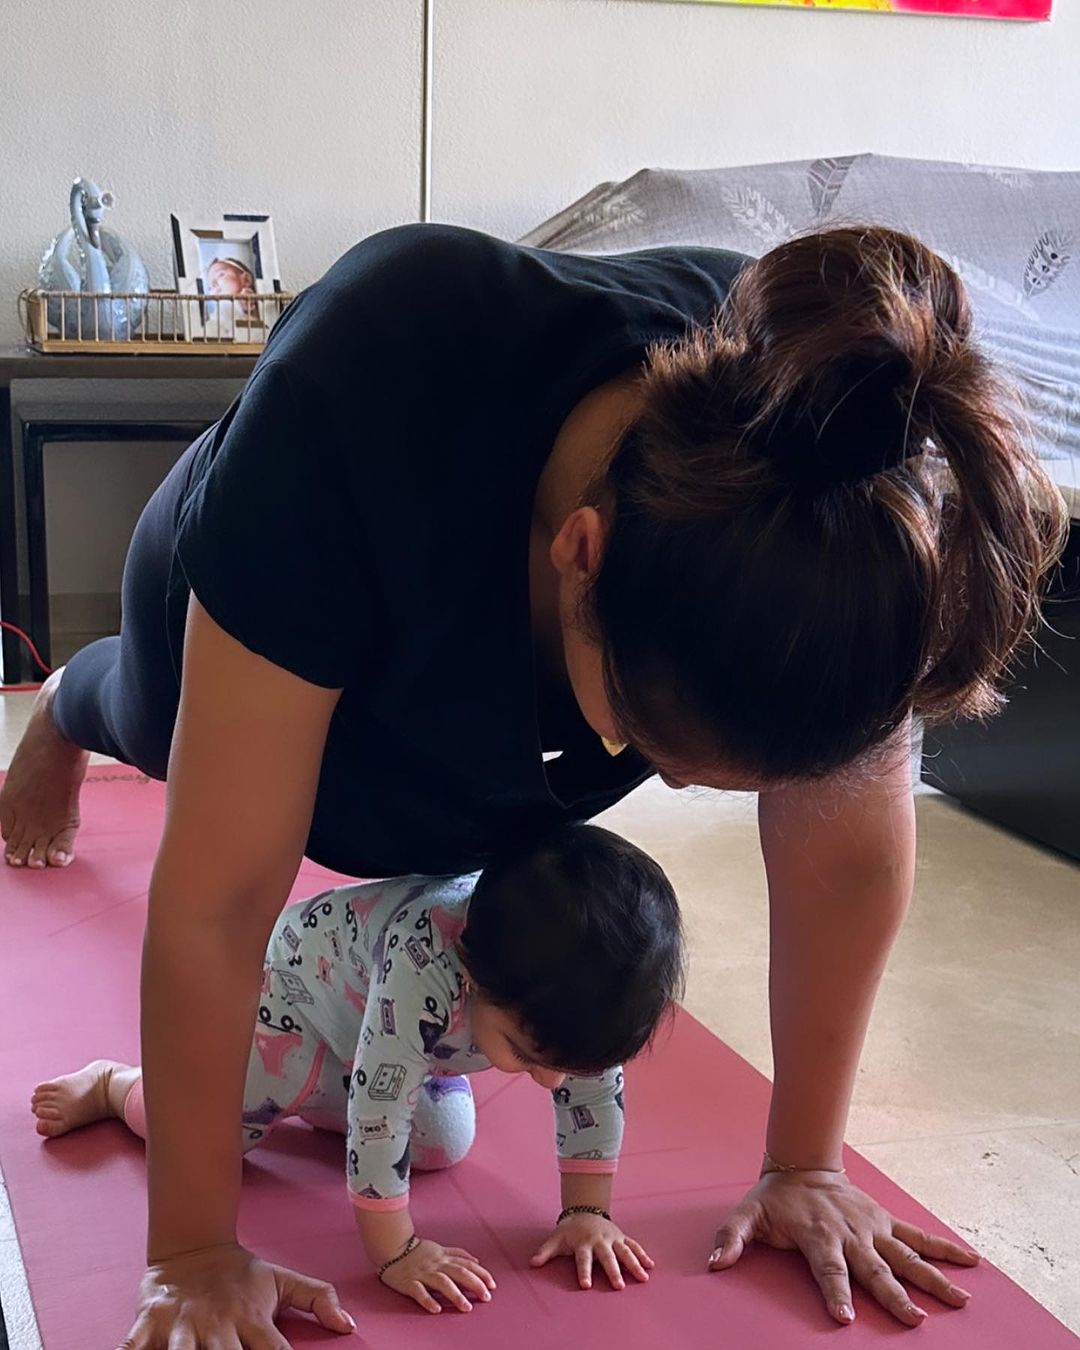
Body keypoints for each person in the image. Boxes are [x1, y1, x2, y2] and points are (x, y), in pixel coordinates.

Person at [1, 222, 1067, 1348]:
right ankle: (70, 704)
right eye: (666, 751)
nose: (680, 785)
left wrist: (805, 1160)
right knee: (154, 724)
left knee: (467, 806)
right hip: (226, 610)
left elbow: (846, 859)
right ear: (583, 554)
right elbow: (218, 908)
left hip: (504, 716)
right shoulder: (373, 381)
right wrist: (194, 1250)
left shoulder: (826, 504)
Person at [31, 824, 681, 1314]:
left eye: (568, 1065)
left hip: (379, 1039)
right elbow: (377, 1115)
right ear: (474, 975)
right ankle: (118, 1084)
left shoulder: (576, 1000)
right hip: (290, 1000)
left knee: (442, 1142)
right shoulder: (424, 967)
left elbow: (592, 1087)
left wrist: (586, 1212)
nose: (549, 1082)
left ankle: (321, 1097)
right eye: (529, 1056)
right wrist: (395, 1251)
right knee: (212, 1138)